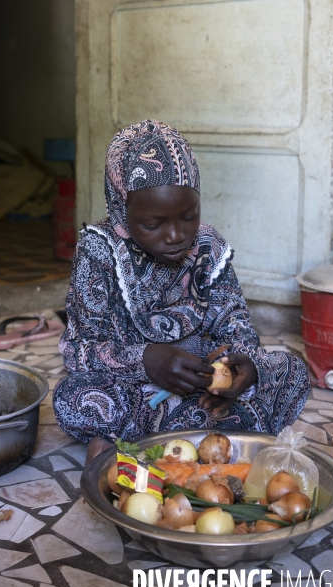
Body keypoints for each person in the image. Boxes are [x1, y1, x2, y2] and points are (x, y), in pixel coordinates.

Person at [53, 119, 310, 463]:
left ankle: (141, 442)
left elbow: (238, 330)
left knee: (290, 372)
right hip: (133, 388)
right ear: (121, 208)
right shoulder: (97, 252)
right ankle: (208, 436)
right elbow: (79, 351)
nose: (175, 236)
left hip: (202, 388)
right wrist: (147, 360)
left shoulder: (209, 247)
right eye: (153, 224)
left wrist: (240, 368)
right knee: (73, 398)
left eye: (188, 216)